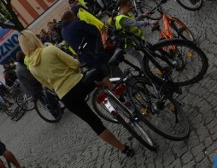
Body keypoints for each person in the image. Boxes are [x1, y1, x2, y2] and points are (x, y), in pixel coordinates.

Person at [17, 30, 135, 158]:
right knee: (99, 73)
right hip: (80, 83)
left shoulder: (32, 67)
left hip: (66, 97)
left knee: (94, 123)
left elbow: (47, 85)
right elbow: (75, 64)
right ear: (35, 38)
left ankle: (123, 149)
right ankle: (121, 98)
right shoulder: (49, 50)